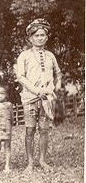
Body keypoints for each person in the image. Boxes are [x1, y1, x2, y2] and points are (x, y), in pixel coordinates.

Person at [16, 18, 61, 173]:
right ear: (30, 38)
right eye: (36, 35)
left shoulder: (50, 56)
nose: (40, 38)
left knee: (44, 129)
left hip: (47, 98)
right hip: (30, 98)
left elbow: (58, 74)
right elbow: (21, 77)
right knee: (30, 130)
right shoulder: (24, 56)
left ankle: (42, 160)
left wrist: (53, 88)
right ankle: (29, 163)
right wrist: (35, 90)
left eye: (42, 35)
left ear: (46, 37)